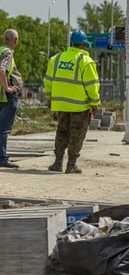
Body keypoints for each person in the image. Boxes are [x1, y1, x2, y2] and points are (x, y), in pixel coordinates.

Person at [43, 29, 100, 174]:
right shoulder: (86, 62)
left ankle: (57, 163)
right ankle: (71, 165)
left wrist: (49, 97)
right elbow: (92, 85)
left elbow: (48, 81)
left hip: (61, 105)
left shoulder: (56, 59)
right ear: (83, 45)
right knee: (77, 134)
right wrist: (94, 103)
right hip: (80, 106)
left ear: (71, 43)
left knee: (62, 131)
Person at [0, 29, 23, 169]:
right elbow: (2, 70)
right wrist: (7, 88)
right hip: (6, 96)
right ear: (15, 41)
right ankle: (2, 158)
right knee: (3, 128)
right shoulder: (7, 52)